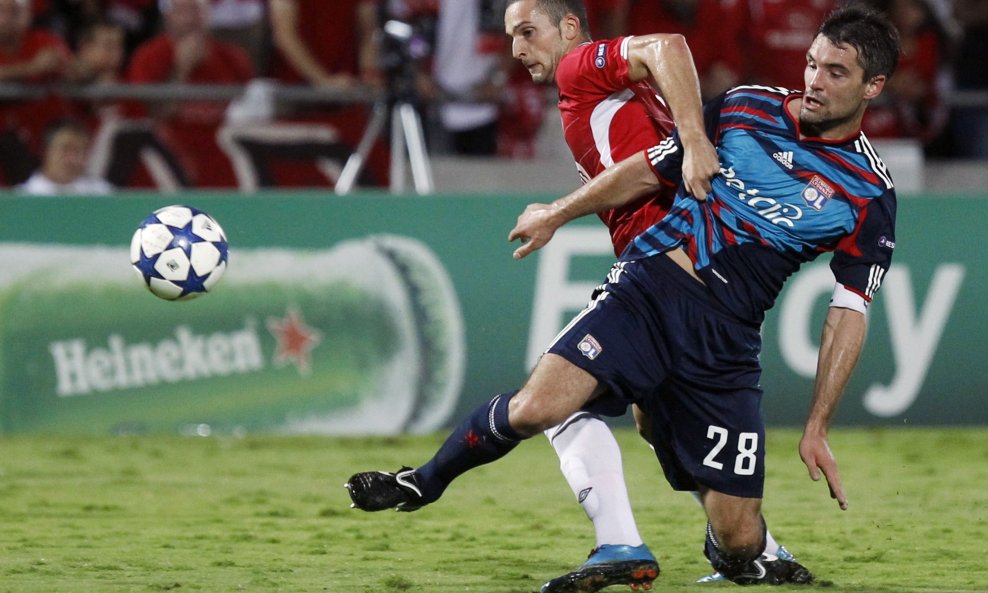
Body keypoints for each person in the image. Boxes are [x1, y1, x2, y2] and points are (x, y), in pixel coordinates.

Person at [126, 0, 254, 187]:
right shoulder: (148, 56)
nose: (189, 19)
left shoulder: (234, 58)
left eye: (196, 10)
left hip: (223, 157)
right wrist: (181, 71)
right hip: (169, 160)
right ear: (168, 16)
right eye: (181, 11)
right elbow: (153, 116)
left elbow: (249, 114)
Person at [17, 117, 113, 195]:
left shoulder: (104, 195)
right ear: (45, 151)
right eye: (66, 149)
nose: (74, 159)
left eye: (81, 151)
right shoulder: (22, 197)